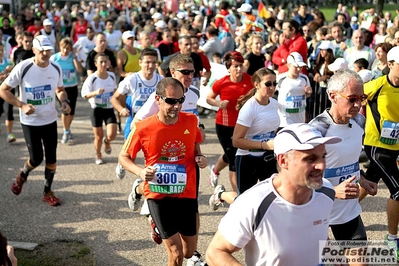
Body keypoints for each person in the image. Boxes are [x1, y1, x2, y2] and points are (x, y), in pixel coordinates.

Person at [206, 122, 340, 265]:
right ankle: (220, 195)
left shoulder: (326, 191)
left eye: (323, 156)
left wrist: (337, 259)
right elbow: (215, 252)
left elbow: (318, 233)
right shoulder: (254, 202)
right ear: (283, 160)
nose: (321, 166)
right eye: (310, 159)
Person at [119, 77, 207, 266]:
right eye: (170, 101)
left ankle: (156, 226)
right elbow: (124, 157)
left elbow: (195, 145)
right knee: (176, 254)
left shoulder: (191, 121)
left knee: (188, 251)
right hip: (158, 194)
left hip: (186, 193)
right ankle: (152, 213)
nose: (176, 106)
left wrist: (200, 157)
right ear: (157, 99)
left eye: (180, 100)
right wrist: (141, 173)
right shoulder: (143, 128)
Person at [309, 69, 378, 264]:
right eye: (352, 98)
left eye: (361, 98)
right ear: (333, 96)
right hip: (316, 212)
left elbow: (349, 160)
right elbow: (299, 179)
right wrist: (332, 190)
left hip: (347, 212)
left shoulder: (359, 121)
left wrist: (362, 179)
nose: (358, 104)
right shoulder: (316, 130)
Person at [0, 35, 69, 206]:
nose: (45, 54)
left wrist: (64, 101)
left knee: (52, 158)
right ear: (34, 50)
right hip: (30, 121)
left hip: (50, 119)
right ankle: (23, 174)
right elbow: (3, 90)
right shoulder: (23, 67)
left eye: (48, 51)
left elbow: (60, 89)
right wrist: (21, 105)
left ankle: (48, 192)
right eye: (42, 51)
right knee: (37, 158)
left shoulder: (56, 67)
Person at [362, 46, 399, 255]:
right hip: (376, 145)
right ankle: (392, 238)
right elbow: (352, 96)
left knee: (369, 182)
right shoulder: (377, 84)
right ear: (391, 64)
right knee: (398, 190)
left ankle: (335, 213)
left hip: (395, 145)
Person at [206, 51, 253, 192]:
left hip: (243, 125)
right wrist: (219, 104)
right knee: (233, 158)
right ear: (228, 68)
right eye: (235, 66)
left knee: (231, 154)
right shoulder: (222, 82)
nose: (239, 69)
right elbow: (209, 98)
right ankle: (238, 194)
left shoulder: (249, 80)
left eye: (240, 66)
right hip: (224, 125)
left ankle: (214, 170)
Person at [111, 48, 161, 177]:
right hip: (134, 121)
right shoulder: (131, 79)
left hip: (154, 124)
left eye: (154, 62)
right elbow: (114, 98)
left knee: (154, 156)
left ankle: (147, 181)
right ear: (140, 62)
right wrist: (121, 109)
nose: (151, 66)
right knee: (130, 154)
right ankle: (122, 163)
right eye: (147, 62)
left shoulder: (161, 80)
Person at [81, 53, 117, 165]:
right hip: (96, 109)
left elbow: (115, 91)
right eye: (100, 62)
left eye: (105, 61)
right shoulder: (92, 78)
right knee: (98, 136)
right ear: (96, 64)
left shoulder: (111, 75)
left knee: (112, 135)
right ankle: (98, 154)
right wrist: (95, 93)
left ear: (108, 63)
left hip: (109, 108)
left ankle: (107, 142)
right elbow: (84, 95)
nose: (103, 64)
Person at [50, 37, 83, 144]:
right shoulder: (54, 58)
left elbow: (80, 70)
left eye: (68, 48)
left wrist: (74, 57)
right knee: (65, 109)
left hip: (72, 86)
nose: (65, 51)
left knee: (72, 111)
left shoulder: (72, 57)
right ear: (60, 47)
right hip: (60, 88)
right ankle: (65, 131)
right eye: (64, 48)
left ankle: (68, 128)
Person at [277, 52, 312, 126]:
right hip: (285, 118)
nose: (299, 69)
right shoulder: (281, 78)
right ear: (289, 65)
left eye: (301, 66)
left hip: (300, 117)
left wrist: (309, 93)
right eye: (296, 66)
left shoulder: (304, 78)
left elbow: (306, 95)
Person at [0, 42, 14, 142]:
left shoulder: (7, 61)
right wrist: (3, 73)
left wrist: (11, 70)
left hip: (8, 91)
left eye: (2, 50)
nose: (0, 52)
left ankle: (9, 134)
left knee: (9, 112)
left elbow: (15, 70)